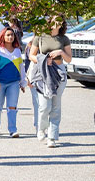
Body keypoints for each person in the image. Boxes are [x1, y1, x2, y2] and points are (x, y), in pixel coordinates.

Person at [29, 17, 73, 147]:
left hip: (59, 72)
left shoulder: (64, 38)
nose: (57, 22)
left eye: (60, 20)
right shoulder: (40, 36)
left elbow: (69, 59)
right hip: (44, 72)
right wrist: (43, 60)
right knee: (44, 106)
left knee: (55, 106)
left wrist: (60, 52)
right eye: (54, 19)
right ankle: (41, 128)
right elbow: (31, 55)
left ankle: (52, 137)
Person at [0, 25, 27, 137]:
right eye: (8, 35)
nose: (10, 37)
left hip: (14, 83)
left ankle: (12, 130)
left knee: (12, 107)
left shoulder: (17, 51)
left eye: (12, 35)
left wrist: (22, 82)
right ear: (3, 36)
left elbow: (21, 67)